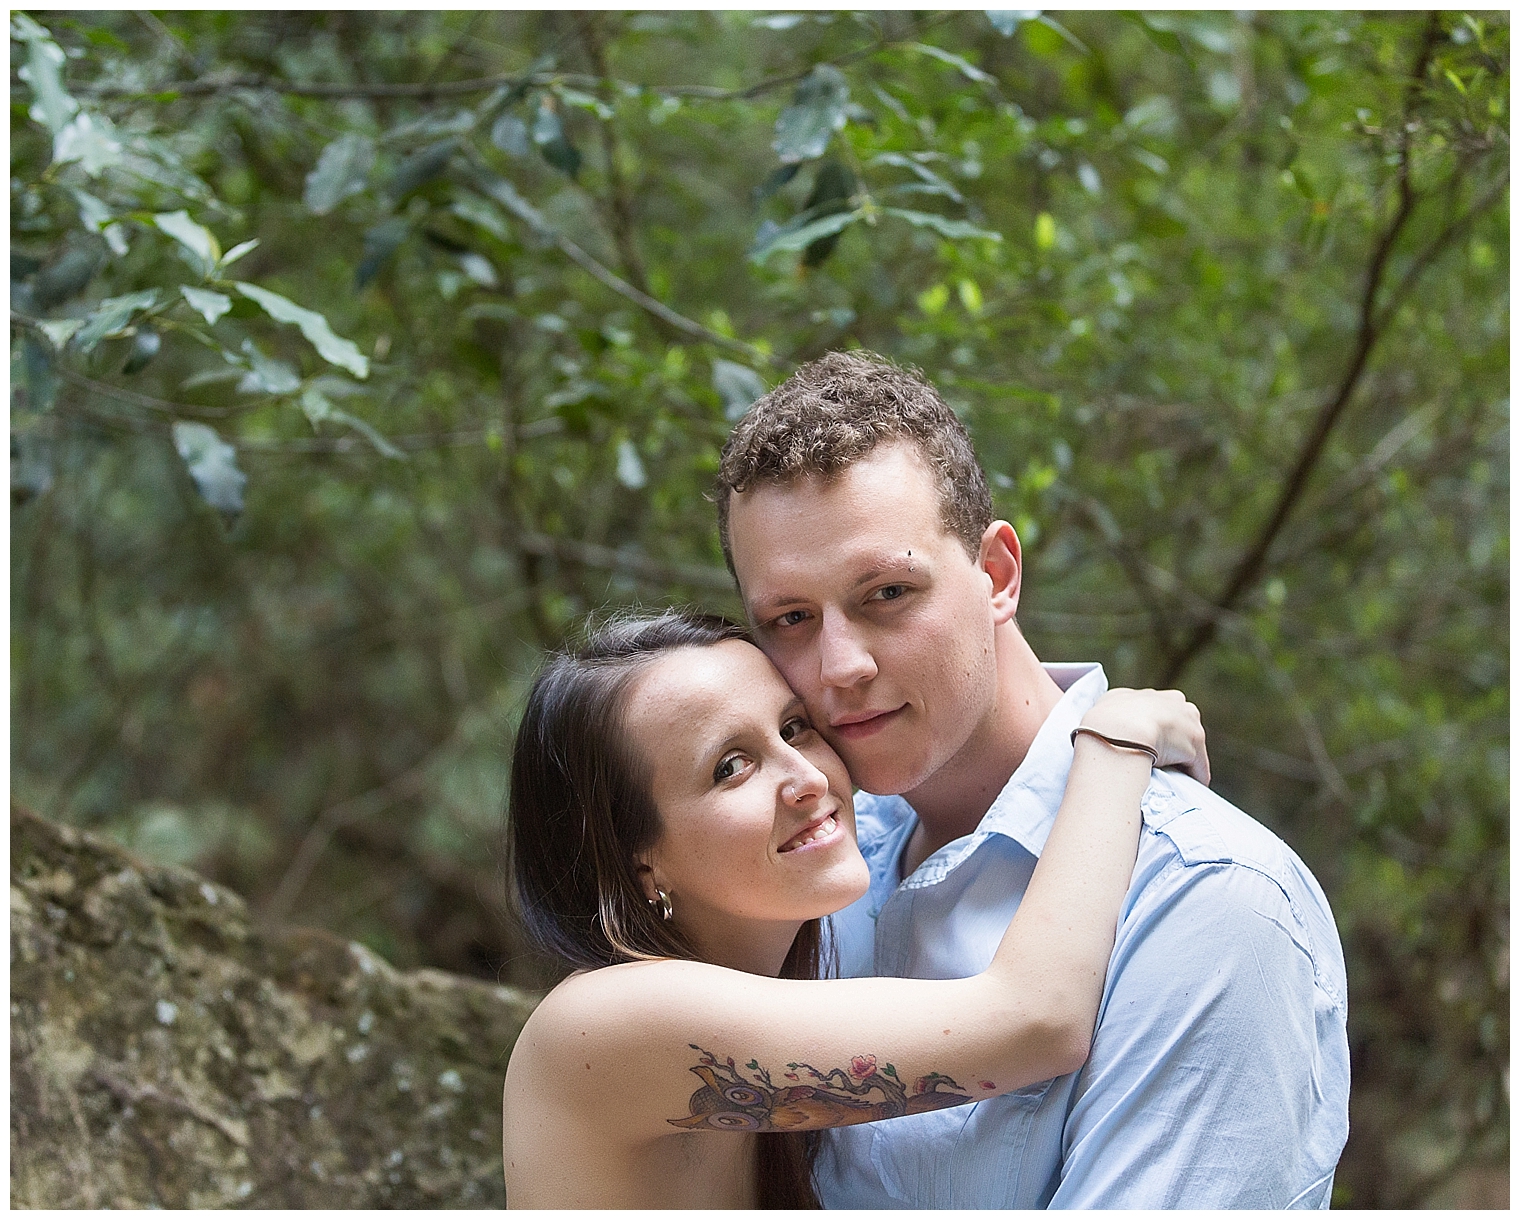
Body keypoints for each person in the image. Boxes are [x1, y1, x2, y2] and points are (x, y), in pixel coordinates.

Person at [714, 349, 1351, 1209]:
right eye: (791, 619)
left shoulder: (1204, 899)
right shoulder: (805, 877)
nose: (840, 665)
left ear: (998, 575)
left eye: (888, 592)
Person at [501, 610, 1208, 1208]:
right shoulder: (606, 1023)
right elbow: (1038, 1020)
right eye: (731, 766)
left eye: (796, 728)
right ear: (636, 859)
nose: (807, 778)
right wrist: (1110, 745)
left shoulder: (777, 991)